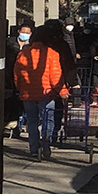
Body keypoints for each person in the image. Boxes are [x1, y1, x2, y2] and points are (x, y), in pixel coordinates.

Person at [15, 25, 69, 159]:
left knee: (32, 122)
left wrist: (19, 88)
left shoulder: (23, 54)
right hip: (46, 93)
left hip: (28, 93)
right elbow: (55, 75)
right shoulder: (52, 53)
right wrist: (61, 90)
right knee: (48, 119)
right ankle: (46, 144)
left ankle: (34, 148)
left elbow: (17, 74)